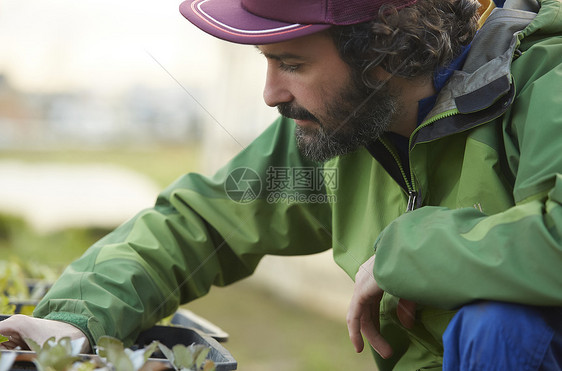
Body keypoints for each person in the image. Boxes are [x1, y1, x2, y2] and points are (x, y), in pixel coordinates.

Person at [1, 0, 561, 369]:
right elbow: (200, 220)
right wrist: (67, 323)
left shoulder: (544, 80)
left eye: (290, 63)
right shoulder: (345, 123)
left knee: (501, 325)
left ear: (383, 53)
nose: (270, 93)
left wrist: (403, 251)